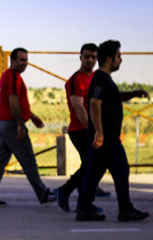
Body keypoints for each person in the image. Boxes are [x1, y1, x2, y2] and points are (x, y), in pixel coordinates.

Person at [76, 40, 150, 222]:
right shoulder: (100, 78)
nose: (121, 60)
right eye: (119, 56)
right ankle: (125, 209)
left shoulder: (105, 79)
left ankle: (84, 208)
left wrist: (134, 93)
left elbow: (114, 97)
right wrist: (99, 133)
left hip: (105, 137)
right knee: (121, 170)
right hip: (106, 138)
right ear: (109, 59)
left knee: (94, 173)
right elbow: (94, 103)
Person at [0, 47, 56, 206]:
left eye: (26, 60)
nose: (24, 63)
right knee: (28, 160)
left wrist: (33, 117)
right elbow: (13, 101)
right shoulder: (14, 77)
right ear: (13, 60)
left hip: (3, 123)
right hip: (12, 125)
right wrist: (20, 125)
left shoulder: (6, 76)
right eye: (21, 60)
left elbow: (18, 104)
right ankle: (43, 193)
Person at [54, 43, 110, 212]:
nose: (91, 60)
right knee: (91, 164)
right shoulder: (75, 80)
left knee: (92, 164)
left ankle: (82, 193)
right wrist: (92, 130)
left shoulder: (94, 78)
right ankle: (68, 192)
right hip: (80, 129)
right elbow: (78, 106)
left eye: (94, 57)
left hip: (90, 129)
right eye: (87, 56)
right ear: (80, 57)